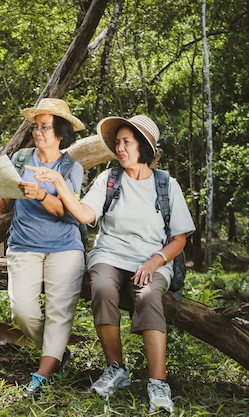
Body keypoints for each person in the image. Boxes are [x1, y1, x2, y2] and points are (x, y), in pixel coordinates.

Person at [30, 115, 195, 413]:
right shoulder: (109, 179)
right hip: (110, 255)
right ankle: (115, 368)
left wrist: (155, 262)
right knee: (103, 286)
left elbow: (179, 239)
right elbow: (84, 214)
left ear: (143, 147)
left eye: (126, 142)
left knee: (147, 296)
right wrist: (57, 183)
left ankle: (158, 382)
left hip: (152, 260)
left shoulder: (166, 185)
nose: (119, 148)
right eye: (117, 143)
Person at [0, 98, 86, 398]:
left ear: (61, 133)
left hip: (64, 248)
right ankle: (56, 353)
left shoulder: (71, 167)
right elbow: (3, 206)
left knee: (58, 313)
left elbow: (66, 211)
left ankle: (41, 375)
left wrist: (41, 194)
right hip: (23, 246)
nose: (38, 132)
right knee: (23, 313)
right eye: (36, 126)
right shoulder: (19, 160)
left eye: (45, 127)